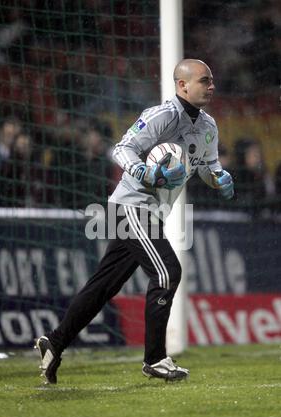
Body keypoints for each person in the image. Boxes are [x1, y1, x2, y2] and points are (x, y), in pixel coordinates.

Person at [35, 59, 234, 384]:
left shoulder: (209, 126)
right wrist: (145, 171)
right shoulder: (161, 116)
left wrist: (220, 179)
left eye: (212, 80)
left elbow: (208, 168)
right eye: (204, 80)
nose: (211, 86)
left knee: (104, 286)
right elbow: (122, 148)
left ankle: (53, 343)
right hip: (131, 206)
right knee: (167, 271)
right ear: (182, 85)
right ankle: (155, 359)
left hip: (152, 212)